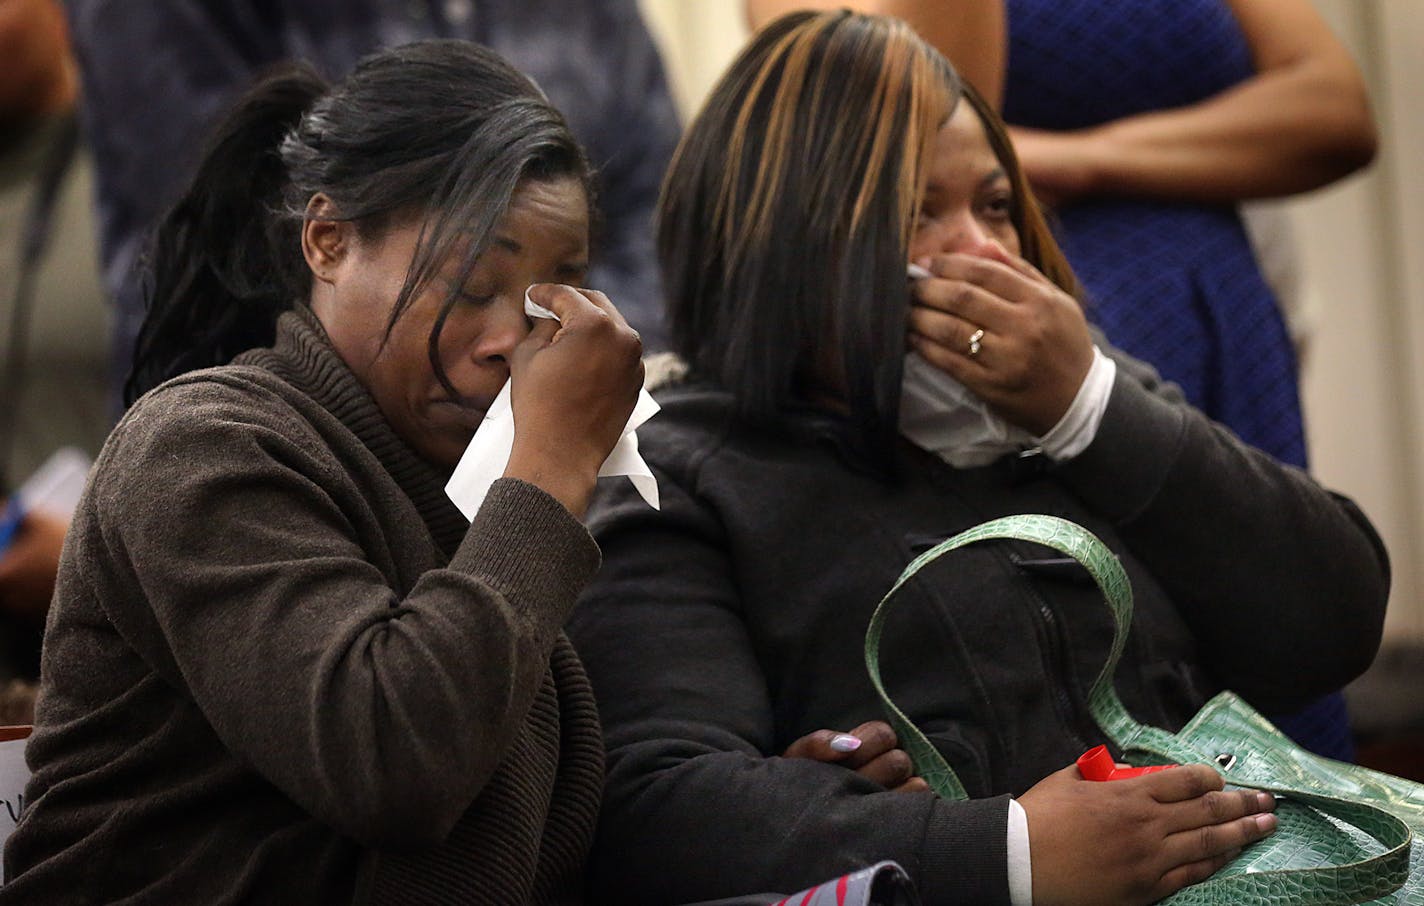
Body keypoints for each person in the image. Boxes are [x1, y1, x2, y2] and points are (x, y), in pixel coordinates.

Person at [566, 11, 1389, 905]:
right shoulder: (679, 473)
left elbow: (1332, 625)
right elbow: (655, 814)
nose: (984, 251)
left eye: (996, 206)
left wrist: (1092, 412)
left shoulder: (1072, 399)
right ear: (782, 242)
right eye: (916, 213)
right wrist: (1008, 853)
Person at [0, 39, 650, 903]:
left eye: (549, 295)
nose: (512, 341)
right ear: (328, 241)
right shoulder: (201, 444)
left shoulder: (469, 507)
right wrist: (550, 467)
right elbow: (394, 760)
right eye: (470, 284)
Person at [61, 0, 682, 405]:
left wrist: (571, 367)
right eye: (470, 282)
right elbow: (226, 206)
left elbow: (652, 218)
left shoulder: (595, 17)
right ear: (325, 238)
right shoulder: (224, 458)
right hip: (283, 416)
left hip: (542, 423)